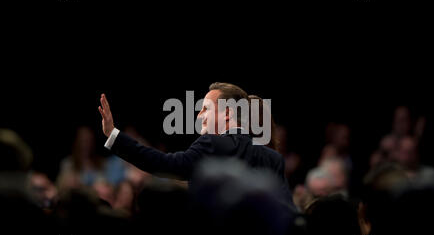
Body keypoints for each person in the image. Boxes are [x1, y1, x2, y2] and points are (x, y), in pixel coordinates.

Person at [98, 82, 293, 204]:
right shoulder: (273, 158)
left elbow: (165, 164)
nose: (199, 115)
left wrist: (113, 135)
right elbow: (285, 211)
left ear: (227, 113)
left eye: (205, 108)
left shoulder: (212, 144)